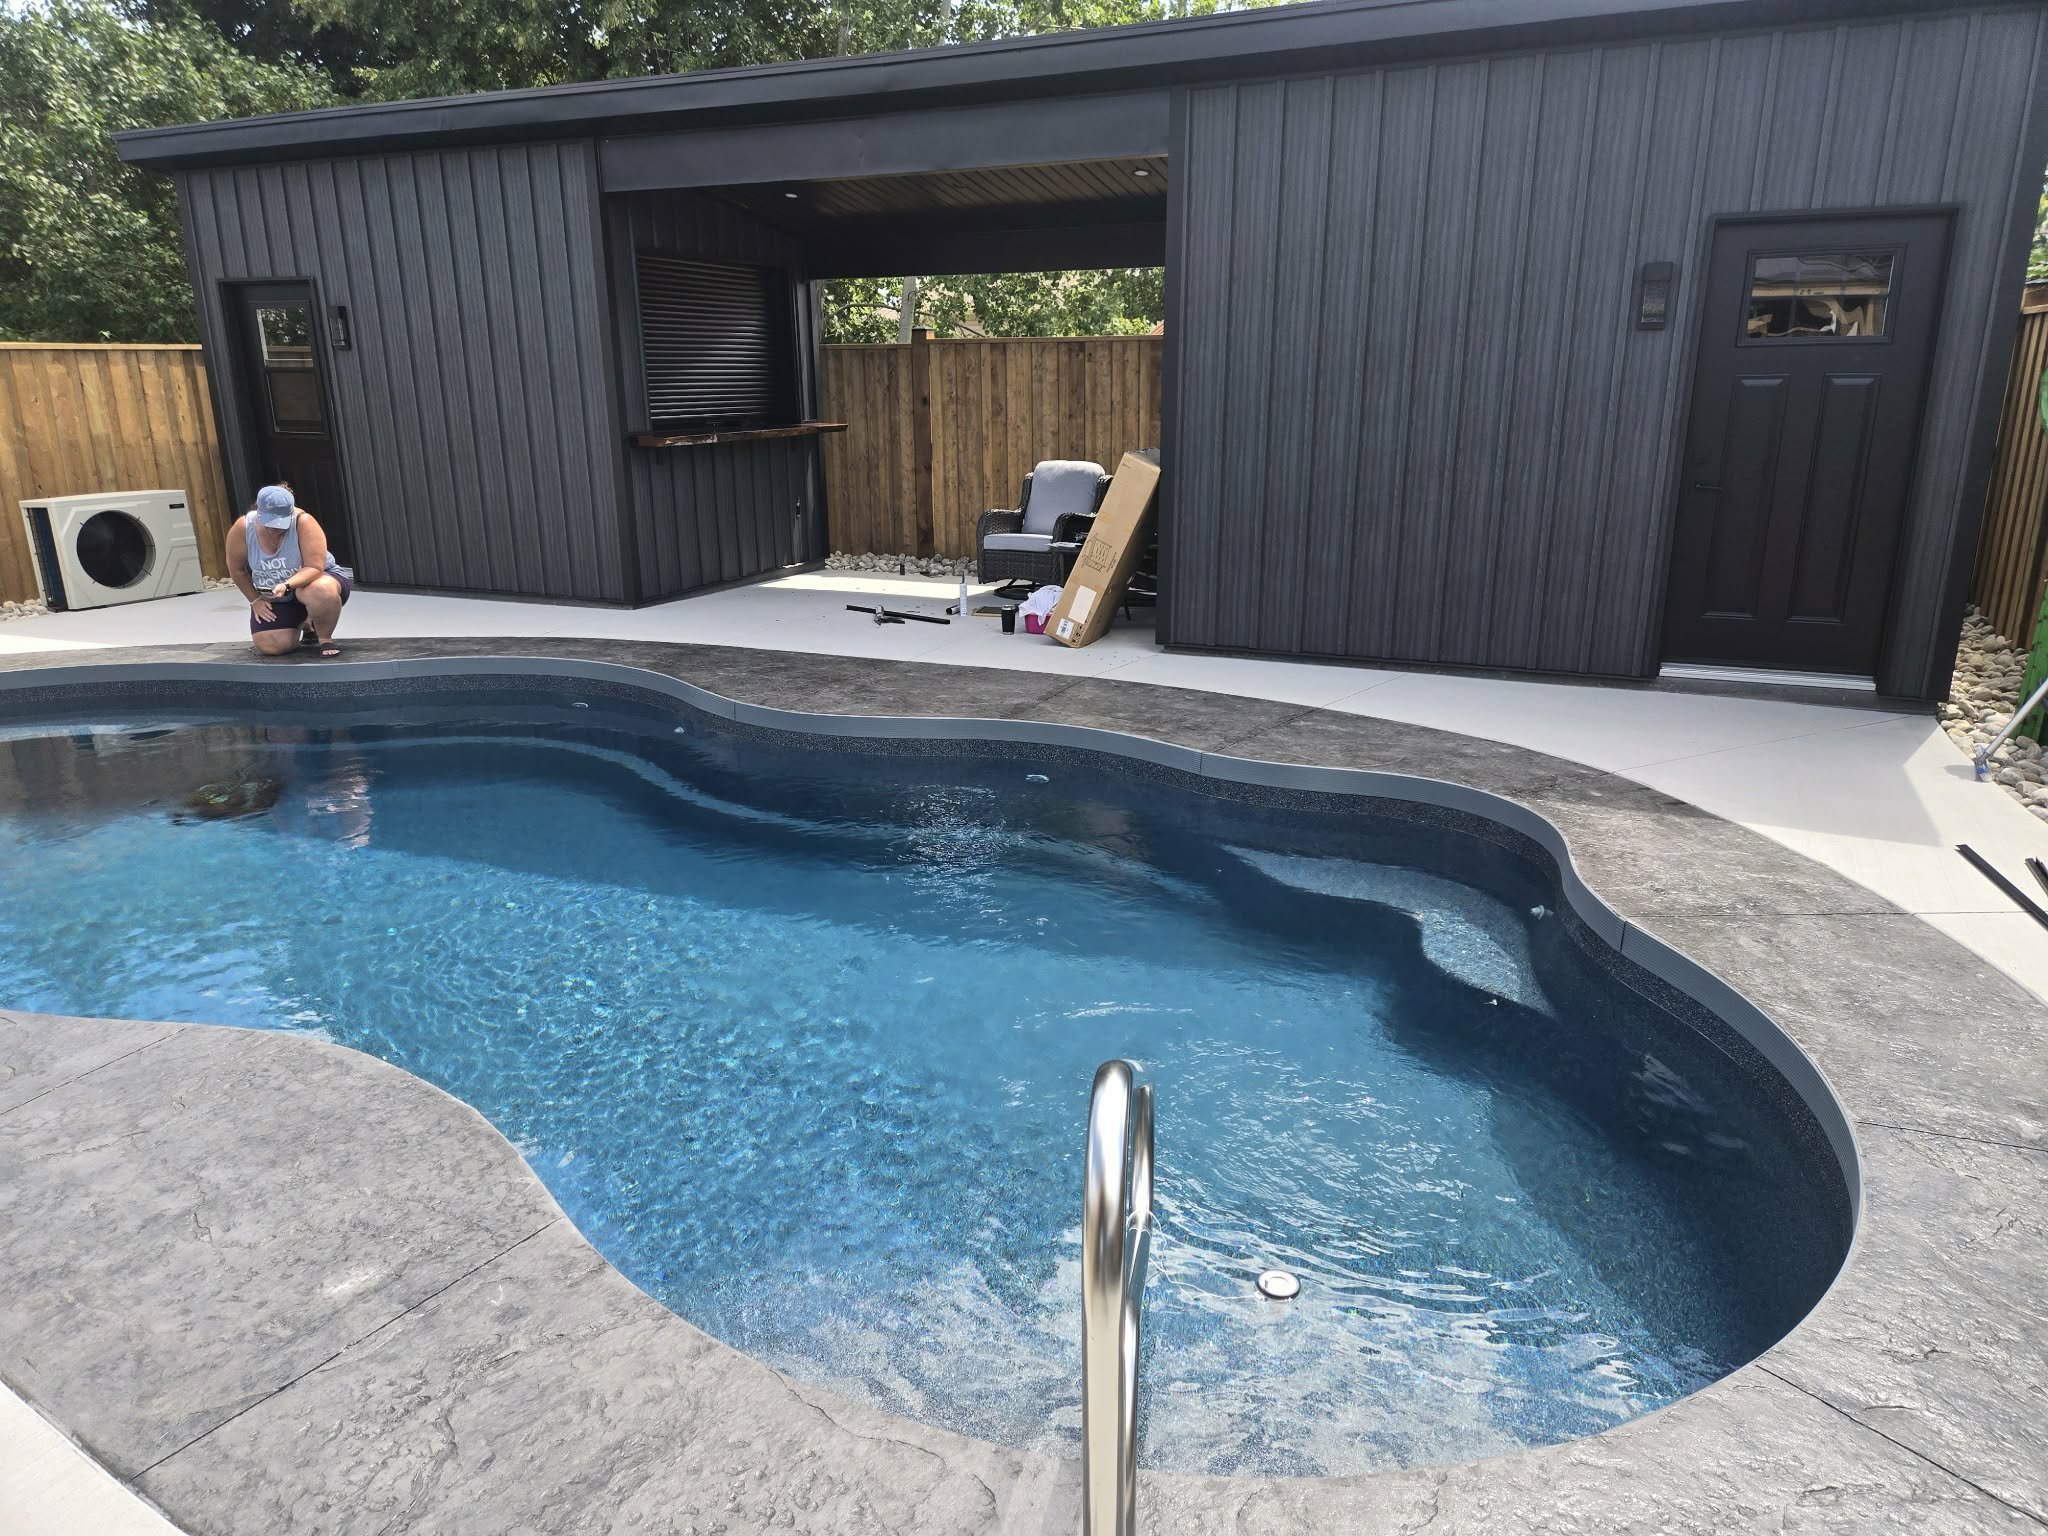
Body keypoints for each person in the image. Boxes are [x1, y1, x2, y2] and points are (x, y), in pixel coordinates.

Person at [227, 484, 351, 657]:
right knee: (272, 646)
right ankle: (304, 621)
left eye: (281, 523)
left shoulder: (304, 522)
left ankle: (324, 638)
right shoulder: (243, 527)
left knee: (319, 590)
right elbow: (237, 570)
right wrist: (255, 600)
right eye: (271, 523)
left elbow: (314, 567)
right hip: (277, 595)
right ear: (259, 513)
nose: (277, 529)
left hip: (314, 582)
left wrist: (286, 585)